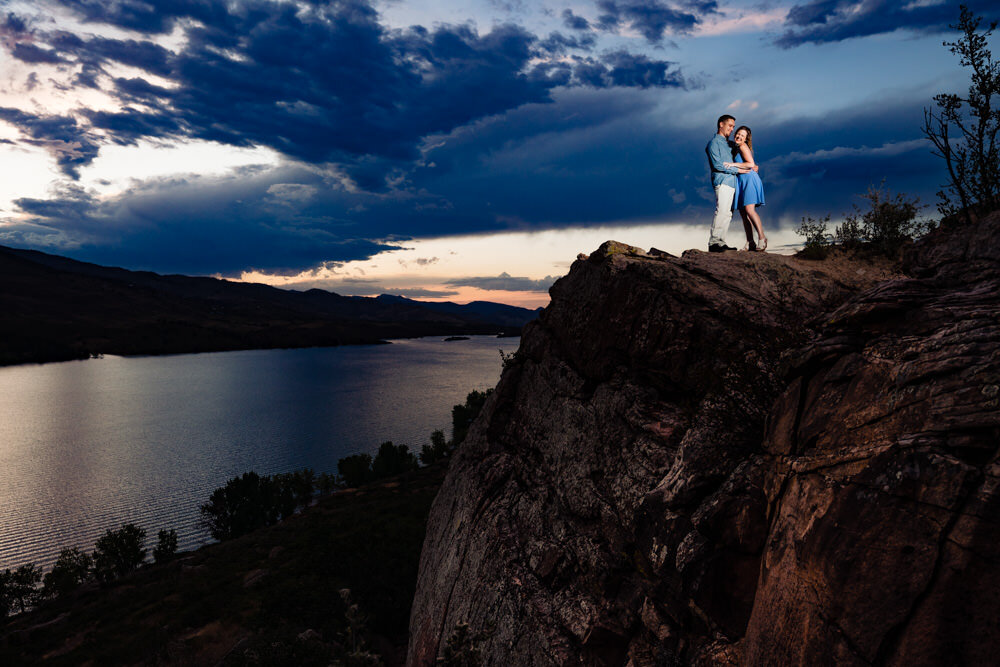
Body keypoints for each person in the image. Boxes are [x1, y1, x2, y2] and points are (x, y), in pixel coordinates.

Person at [705, 115, 757, 252]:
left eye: (733, 126)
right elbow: (718, 165)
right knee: (721, 211)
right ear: (721, 124)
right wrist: (739, 169)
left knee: (728, 214)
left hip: (733, 183)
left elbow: (744, 158)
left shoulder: (730, 144)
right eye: (730, 126)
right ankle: (714, 242)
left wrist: (752, 167)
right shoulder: (714, 143)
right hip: (722, 181)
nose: (732, 129)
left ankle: (721, 242)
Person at [725, 125, 767, 251]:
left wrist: (733, 164)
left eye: (743, 136)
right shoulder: (734, 147)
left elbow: (750, 164)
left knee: (750, 210)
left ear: (746, 139)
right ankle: (750, 242)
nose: (739, 136)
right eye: (738, 133)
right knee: (743, 214)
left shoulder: (743, 146)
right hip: (741, 181)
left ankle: (762, 238)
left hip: (749, 179)